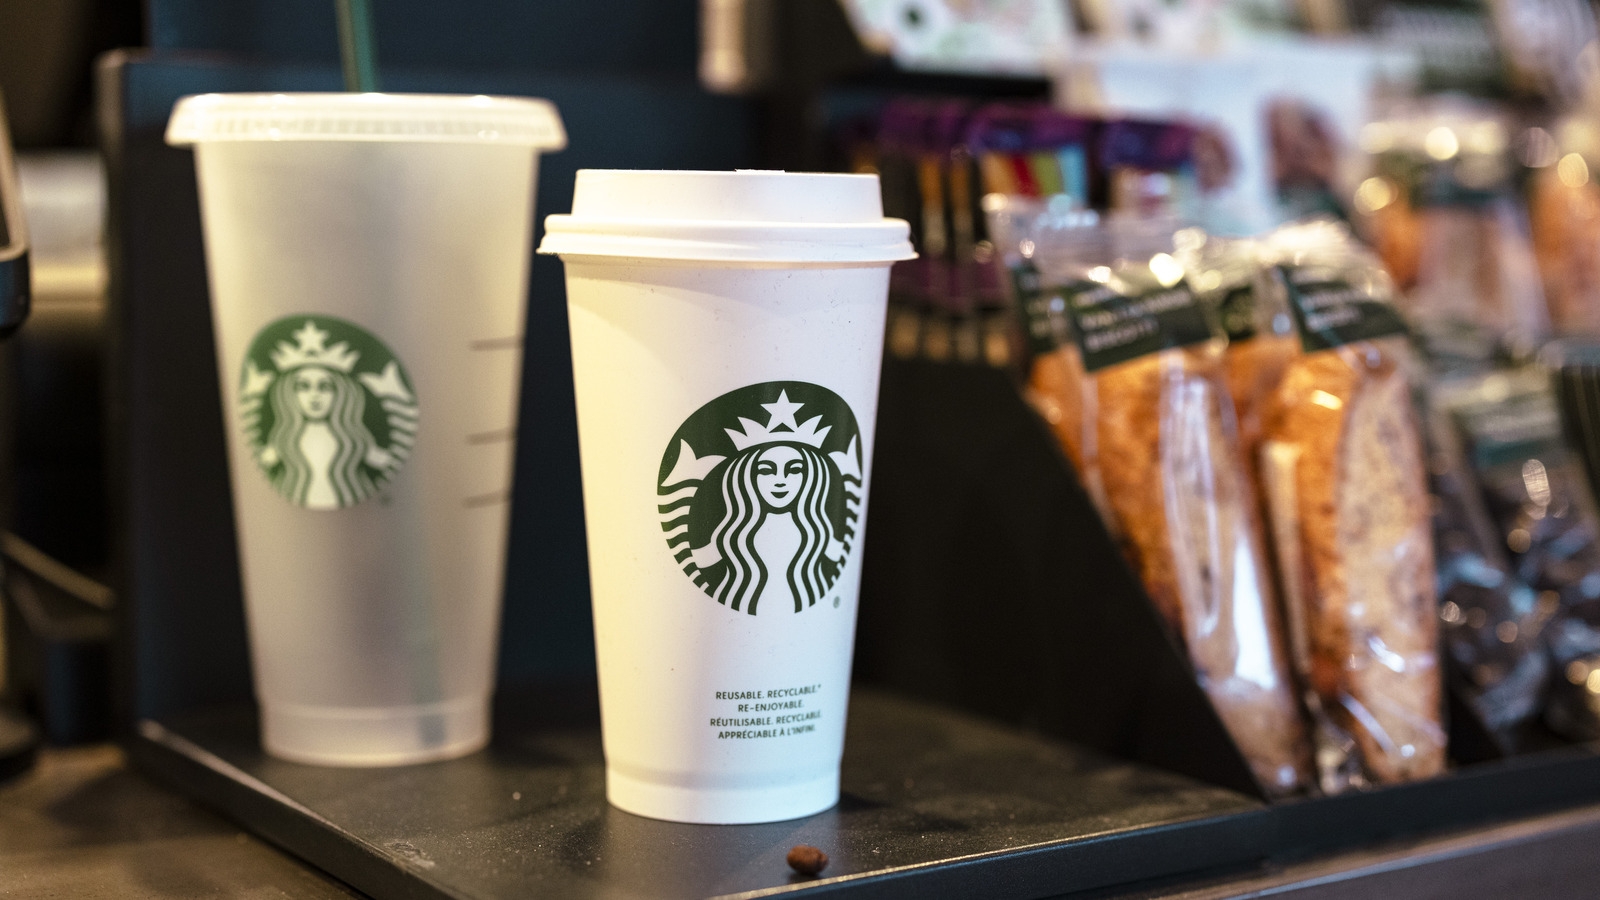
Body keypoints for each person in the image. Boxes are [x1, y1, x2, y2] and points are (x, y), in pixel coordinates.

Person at [689, 441, 848, 614]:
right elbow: (700, 561)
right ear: (749, 476)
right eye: (766, 471)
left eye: (794, 470)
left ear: (809, 478)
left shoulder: (817, 529)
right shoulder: (734, 531)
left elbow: (838, 553)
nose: (780, 480)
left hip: (814, 620)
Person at [258, 363, 399, 510]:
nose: (314, 395)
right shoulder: (284, 441)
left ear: (340, 394)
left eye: (324, 387)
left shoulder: (355, 441)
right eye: (304, 387)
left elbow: (389, 465)